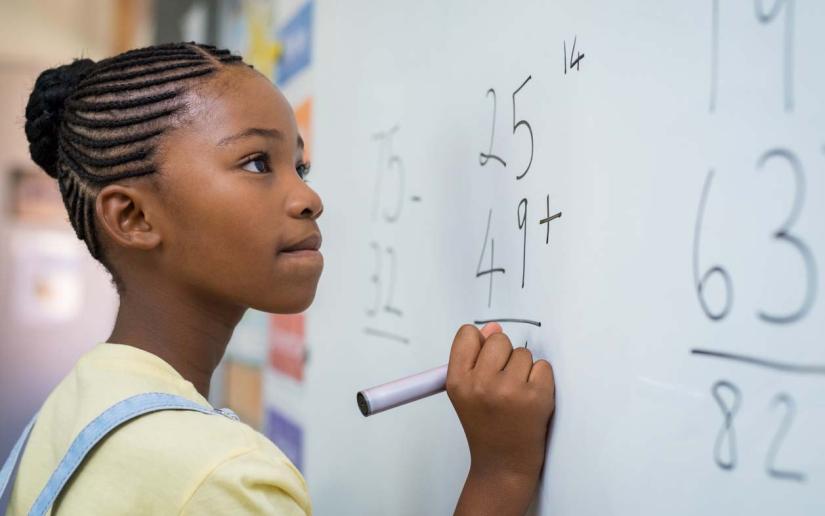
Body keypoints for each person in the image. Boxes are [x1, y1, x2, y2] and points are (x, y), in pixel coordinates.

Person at [1, 42, 555, 515]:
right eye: (257, 164)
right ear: (134, 218)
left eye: (301, 166)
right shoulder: (220, 478)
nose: (309, 198)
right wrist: (501, 474)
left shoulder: (74, 406)